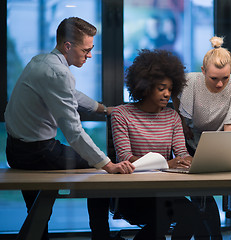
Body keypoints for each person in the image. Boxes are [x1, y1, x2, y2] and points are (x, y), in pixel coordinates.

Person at [4, 17, 134, 240]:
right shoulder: (59, 73)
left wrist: (103, 109)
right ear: (67, 46)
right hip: (38, 153)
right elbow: (73, 131)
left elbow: (72, 95)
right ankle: (101, 236)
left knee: (37, 212)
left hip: (15, 150)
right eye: (86, 50)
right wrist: (108, 165)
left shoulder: (41, 61)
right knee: (99, 171)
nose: (90, 55)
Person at [91, 49, 209, 240]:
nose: (167, 94)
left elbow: (181, 152)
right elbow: (126, 158)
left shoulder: (172, 116)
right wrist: (166, 163)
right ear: (146, 86)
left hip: (163, 192)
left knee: (193, 216)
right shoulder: (122, 114)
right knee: (161, 218)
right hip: (133, 196)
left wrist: (190, 160)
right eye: (161, 88)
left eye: (170, 89)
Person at [173, 36, 231, 240]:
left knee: (224, 189)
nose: (221, 84)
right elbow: (176, 101)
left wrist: (225, 151)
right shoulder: (190, 81)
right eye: (214, 78)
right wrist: (183, 124)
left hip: (219, 141)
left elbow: (230, 124)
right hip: (191, 140)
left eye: (226, 78)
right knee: (200, 193)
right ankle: (213, 237)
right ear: (203, 71)